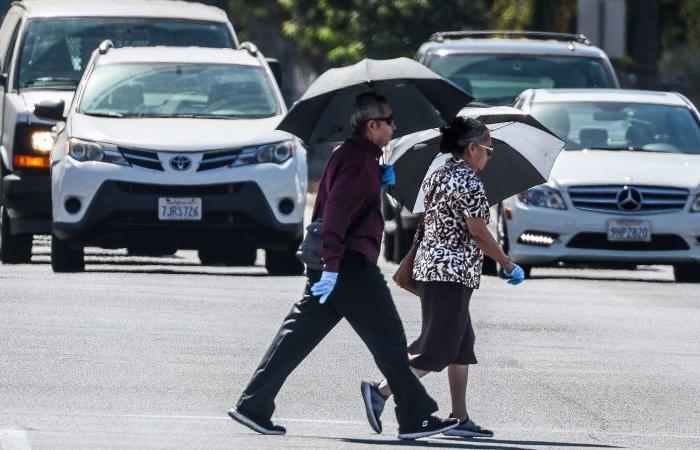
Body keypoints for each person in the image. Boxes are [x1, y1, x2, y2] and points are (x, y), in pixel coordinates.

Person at [229, 92, 459, 440]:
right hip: (348, 264)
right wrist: (333, 266)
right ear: (372, 126)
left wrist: (377, 184)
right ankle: (416, 416)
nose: (394, 127)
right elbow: (336, 215)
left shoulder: (358, 156)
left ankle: (253, 405)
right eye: (389, 121)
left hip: (338, 262)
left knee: (297, 337)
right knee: (390, 340)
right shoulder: (356, 161)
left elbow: (346, 208)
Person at [360, 116, 525, 438]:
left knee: (461, 345)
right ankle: (380, 391)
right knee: (436, 349)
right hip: (451, 273)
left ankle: (459, 418)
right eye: (489, 150)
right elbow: (478, 232)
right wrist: (506, 263)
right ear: (473, 148)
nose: (490, 157)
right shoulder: (470, 183)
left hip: (434, 269)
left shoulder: (439, 174)